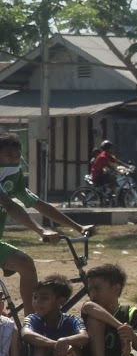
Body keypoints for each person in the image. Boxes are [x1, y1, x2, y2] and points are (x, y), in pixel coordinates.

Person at [1, 130, 89, 315]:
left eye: (18, 156)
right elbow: (10, 206)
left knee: (26, 265)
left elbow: (39, 204)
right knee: (25, 263)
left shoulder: (13, 177)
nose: (15, 160)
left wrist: (78, 227)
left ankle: (30, 324)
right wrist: (41, 231)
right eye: (8, 156)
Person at [79, 262, 137, 356]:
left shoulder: (129, 312)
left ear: (116, 289)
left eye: (97, 289)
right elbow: (89, 306)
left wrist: (131, 335)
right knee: (95, 321)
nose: (92, 294)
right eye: (90, 289)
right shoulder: (90, 309)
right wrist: (120, 326)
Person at [22, 275, 87, 356]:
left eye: (44, 298)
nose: (37, 302)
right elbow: (26, 334)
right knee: (40, 345)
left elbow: (84, 337)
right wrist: (56, 344)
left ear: (60, 301)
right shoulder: (33, 319)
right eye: (35, 298)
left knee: (74, 347)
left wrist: (65, 341)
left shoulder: (71, 320)